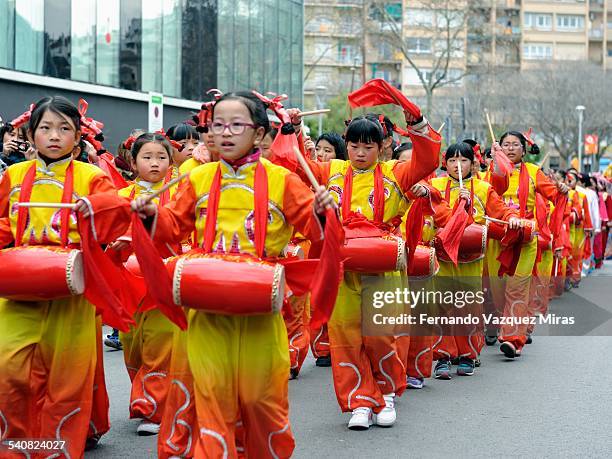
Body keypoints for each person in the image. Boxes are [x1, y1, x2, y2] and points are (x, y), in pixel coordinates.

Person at [130, 91, 335, 458]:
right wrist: (149, 217)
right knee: (212, 394)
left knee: (261, 400)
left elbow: (317, 234)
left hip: (259, 305)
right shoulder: (197, 178)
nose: (225, 132)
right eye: (218, 124)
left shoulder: (284, 181)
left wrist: (324, 214)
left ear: (258, 134)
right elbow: (172, 228)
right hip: (207, 305)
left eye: (236, 125)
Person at [285, 109, 441, 430]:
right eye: (354, 145)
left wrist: (417, 124)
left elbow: (426, 162)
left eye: (368, 146)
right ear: (346, 145)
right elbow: (294, 165)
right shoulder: (331, 171)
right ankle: (359, 400)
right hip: (342, 265)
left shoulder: (395, 173)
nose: (360, 152)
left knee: (381, 333)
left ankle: (385, 393)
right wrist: (295, 128)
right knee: (346, 334)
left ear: (382, 146)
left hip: (382, 264)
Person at [0, 95, 131, 458]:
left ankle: (55, 449)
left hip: (70, 290)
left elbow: (116, 215)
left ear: (78, 137)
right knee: (8, 369)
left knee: (64, 378)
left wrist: (96, 209)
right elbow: (4, 225)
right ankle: (17, 447)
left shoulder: (92, 176)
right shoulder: (13, 175)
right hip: (19, 286)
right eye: (45, 128)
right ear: (30, 133)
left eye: (64, 129)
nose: (54, 136)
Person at [430, 142, 519, 378]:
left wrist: (512, 218)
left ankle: (468, 354)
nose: (457, 166)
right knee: (443, 305)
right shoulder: (435, 186)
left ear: (473, 163)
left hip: (471, 256)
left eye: (463, 160)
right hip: (442, 255)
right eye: (452, 161)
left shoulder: (482, 188)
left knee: (468, 306)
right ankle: (443, 356)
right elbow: (431, 213)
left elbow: (501, 210)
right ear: (444, 163)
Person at [113, 132, 182, 436]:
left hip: (162, 282)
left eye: (161, 157)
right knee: (133, 348)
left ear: (170, 161)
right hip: (128, 284)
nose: (155, 163)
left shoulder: (179, 195)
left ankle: (152, 408)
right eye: (147, 157)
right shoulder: (121, 196)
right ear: (132, 160)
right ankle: (144, 395)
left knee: (159, 346)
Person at [487, 131, 567, 358]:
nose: (510, 148)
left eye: (515, 145)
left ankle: (513, 339)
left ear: (524, 150)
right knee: (498, 289)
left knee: (518, 288)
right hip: (497, 238)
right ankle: (503, 326)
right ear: (499, 148)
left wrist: (560, 190)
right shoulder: (490, 173)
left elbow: (554, 195)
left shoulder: (533, 173)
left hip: (524, 240)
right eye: (506, 145)